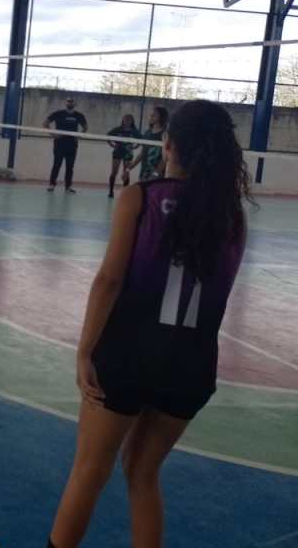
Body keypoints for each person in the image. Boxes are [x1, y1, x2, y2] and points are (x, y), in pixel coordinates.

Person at [47, 100, 250, 548]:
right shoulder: (233, 217)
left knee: (89, 471)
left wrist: (84, 351)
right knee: (143, 474)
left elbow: (109, 281)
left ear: (168, 144)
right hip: (191, 367)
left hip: (128, 356)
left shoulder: (141, 197)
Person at [45, 97, 88, 193]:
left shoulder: (79, 115)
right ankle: (52, 184)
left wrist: (79, 136)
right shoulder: (58, 113)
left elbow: (85, 127)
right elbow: (45, 123)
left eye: (72, 102)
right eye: (68, 101)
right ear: (66, 103)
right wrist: (53, 134)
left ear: (74, 104)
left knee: (70, 166)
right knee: (57, 164)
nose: (70, 103)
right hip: (59, 144)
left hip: (72, 144)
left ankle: (68, 187)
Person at [130, 106, 169, 183]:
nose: (151, 116)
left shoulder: (165, 134)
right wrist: (128, 169)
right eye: (151, 114)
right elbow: (142, 154)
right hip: (144, 173)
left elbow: (165, 157)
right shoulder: (147, 133)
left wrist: (156, 172)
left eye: (154, 114)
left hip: (157, 175)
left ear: (161, 117)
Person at [106, 114, 140, 198]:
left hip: (128, 153)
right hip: (117, 152)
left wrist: (136, 146)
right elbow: (108, 135)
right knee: (114, 172)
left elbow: (141, 139)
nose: (127, 121)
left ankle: (125, 193)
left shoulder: (134, 131)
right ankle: (111, 191)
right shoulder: (118, 129)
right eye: (125, 119)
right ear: (122, 120)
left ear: (132, 121)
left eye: (129, 120)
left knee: (126, 172)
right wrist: (111, 144)